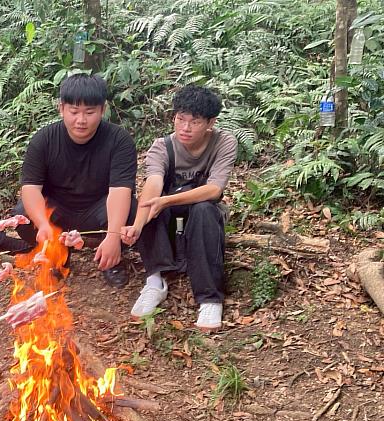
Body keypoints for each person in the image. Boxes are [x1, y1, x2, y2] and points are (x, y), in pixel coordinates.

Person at [121, 85, 237, 331]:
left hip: (202, 214)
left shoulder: (224, 142)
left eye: (194, 122)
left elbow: (214, 189)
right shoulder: (162, 147)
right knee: (141, 204)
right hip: (169, 215)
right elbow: (153, 185)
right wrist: (137, 225)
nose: (185, 128)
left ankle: (209, 298)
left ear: (210, 123)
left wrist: (165, 201)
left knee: (205, 209)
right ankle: (155, 280)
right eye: (180, 119)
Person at [13, 73, 137, 286]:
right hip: (59, 210)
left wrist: (114, 235)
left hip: (99, 209)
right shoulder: (44, 140)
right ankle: (59, 254)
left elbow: (120, 191)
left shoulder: (119, 140)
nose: (81, 120)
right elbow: (31, 188)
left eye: (89, 112)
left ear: (102, 110)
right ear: (61, 108)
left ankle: (111, 256)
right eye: (74, 111)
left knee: (133, 213)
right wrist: (43, 224)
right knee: (23, 215)